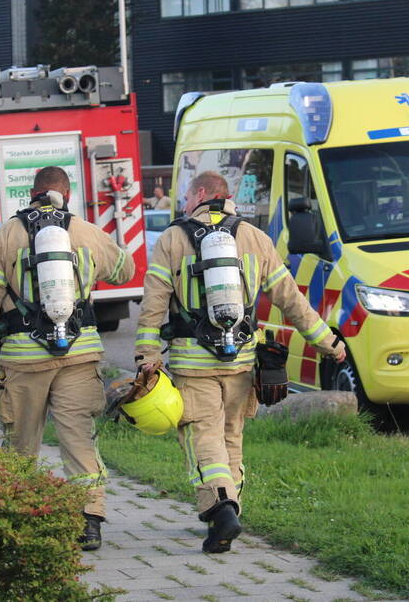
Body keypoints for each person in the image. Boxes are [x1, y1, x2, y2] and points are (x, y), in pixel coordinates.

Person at [134, 170, 345, 553]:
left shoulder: (172, 239)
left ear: (201, 194)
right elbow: (291, 301)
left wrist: (148, 356)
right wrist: (328, 343)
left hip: (192, 363)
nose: (182, 204)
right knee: (231, 438)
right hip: (241, 362)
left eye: (185, 197)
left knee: (204, 439)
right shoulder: (254, 237)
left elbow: (153, 306)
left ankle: (221, 510)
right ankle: (229, 516)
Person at [0, 166, 135, 551]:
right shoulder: (83, 231)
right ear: (65, 195)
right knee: (78, 441)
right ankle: (90, 523)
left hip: (23, 360)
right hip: (79, 356)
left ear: (32, 194)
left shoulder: (6, 234)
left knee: (20, 443)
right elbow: (126, 271)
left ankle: (19, 521)